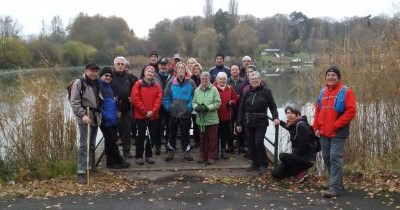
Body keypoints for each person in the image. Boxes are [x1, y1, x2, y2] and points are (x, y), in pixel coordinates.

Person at [313, 66, 356, 198]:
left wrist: (336, 124)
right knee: (326, 157)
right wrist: (315, 127)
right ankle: (335, 181)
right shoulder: (323, 92)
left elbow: (351, 111)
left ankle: (335, 188)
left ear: (338, 78)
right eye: (328, 75)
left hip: (338, 131)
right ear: (326, 77)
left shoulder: (346, 91)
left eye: (333, 75)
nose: (330, 77)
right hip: (324, 132)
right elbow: (317, 111)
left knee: (335, 158)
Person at [236, 71, 280, 175]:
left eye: (256, 79)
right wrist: (239, 123)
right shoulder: (247, 92)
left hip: (261, 122)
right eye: (252, 79)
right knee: (250, 143)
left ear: (260, 80)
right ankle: (254, 163)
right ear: (249, 81)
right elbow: (241, 108)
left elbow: (272, 105)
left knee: (258, 142)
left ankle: (263, 164)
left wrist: (275, 117)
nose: (254, 80)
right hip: (248, 122)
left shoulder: (266, 91)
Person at [69, 63, 102, 184]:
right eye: (91, 71)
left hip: (95, 116)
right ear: (86, 71)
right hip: (85, 117)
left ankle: (90, 168)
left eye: (96, 71)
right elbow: (74, 102)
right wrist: (83, 115)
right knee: (84, 145)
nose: (94, 73)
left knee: (92, 144)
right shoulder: (79, 83)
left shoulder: (96, 82)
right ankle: (81, 172)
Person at [271, 102, 316, 183]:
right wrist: (279, 121)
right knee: (275, 173)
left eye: (292, 113)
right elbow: (288, 126)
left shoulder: (301, 126)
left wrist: (293, 157)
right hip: (298, 158)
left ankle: (302, 171)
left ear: (297, 114)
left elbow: (303, 146)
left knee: (282, 156)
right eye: (288, 113)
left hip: (306, 159)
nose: (289, 115)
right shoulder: (293, 125)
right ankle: (296, 172)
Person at [163, 62, 197, 162]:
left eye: (183, 68)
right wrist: (170, 108)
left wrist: (189, 107)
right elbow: (166, 98)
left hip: (186, 113)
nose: (181, 69)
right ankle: (170, 150)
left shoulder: (190, 82)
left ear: (185, 70)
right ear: (176, 71)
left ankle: (186, 151)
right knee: (171, 133)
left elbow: (194, 97)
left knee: (185, 133)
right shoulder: (171, 82)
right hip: (173, 113)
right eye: (179, 68)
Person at [98, 67, 130, 169]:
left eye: (110, 76)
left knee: (110, 141)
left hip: (113, 118)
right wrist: (105, 116)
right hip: (105, 120)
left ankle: (110, 162)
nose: (108, 77)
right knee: (112, 141)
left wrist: (117, 111)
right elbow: (98, 104)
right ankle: (118, 160)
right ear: (101, 76)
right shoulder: (99, 87)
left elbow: (111, 101)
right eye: (106, 75)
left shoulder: (108, 86)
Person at [131, 65, 163, 165]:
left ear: (154, 74)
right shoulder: (138, 84)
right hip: (141, 115)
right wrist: (144, 111)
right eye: (148, 71)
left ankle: (149, 155)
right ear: (144, 73)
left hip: (153, 115)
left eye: (152, 72)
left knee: (151, 136)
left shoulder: (157, 85)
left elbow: (159, 99)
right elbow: (135, 98)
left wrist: (152, 111)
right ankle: (139, 156)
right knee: (140, 136)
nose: (150, 73)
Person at [110, 56, 138, 158]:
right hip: (113, 109)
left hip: (127, 108)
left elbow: (137, 87)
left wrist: (133, 98)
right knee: (114, 132)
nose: (120, 66)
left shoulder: (129, 77)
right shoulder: (110, 76)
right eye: (118, 64)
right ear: (114, 65)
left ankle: (127, 151)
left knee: (127, 131)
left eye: (122, 64)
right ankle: (115, 152)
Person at [192, 71, 221, 164]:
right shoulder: (197, 90)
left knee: (212, 139)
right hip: (201, 120)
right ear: (200, 79)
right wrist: (196, 107)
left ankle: (212, 156)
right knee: (202, 139)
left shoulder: (214, 89)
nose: (204, 80)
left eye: (206, 78)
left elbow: (218, 103)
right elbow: (193, 102)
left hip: (212, 120)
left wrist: (208, 107)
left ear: (209, 79)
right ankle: (203, 156)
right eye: (202, 78)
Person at [214, 72, 237, 159]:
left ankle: (223, 151)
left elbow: (235, 98)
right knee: (215, 135)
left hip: (227, 117)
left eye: (224, 79)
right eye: (220, 79)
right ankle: (215, 151)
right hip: (215, 116)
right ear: (217, 79)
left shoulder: (230, 88)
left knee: (224, 135)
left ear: (226, 80)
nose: (222, 80)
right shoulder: (213, 88)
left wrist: (232, 102)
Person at [154, 57, 173, 155]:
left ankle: (168, 145)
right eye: (161, 64)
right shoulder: (154, 77)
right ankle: (157, 146)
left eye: (165, 64)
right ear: (158, 66)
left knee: (169, 126)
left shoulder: (172, 77)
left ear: (168, 66)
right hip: (157, 106)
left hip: (169, 105)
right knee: (158, 127)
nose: (163, 66)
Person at [227, 64, 246, 154]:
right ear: (230, 71)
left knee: (240, 127)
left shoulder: (244, 81)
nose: (234, 71)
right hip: (229, 108)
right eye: (233, 70)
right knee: (230, 128)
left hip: (240, 108)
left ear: (239, 71)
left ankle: (241, 145)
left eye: (236, 69)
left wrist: (239, 97)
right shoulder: (227, 81)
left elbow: (246, 94)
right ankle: (230, 146)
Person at [190, 62, 203, 148]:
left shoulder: (204, 78)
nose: (195, 70)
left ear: (200, 70)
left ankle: (202, 140)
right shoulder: (190, 79)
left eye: (197, 69)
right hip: (193, 104)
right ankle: (196, 141)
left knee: (201, 123)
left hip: (202, 104)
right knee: (195, 124)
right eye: (194, 69)